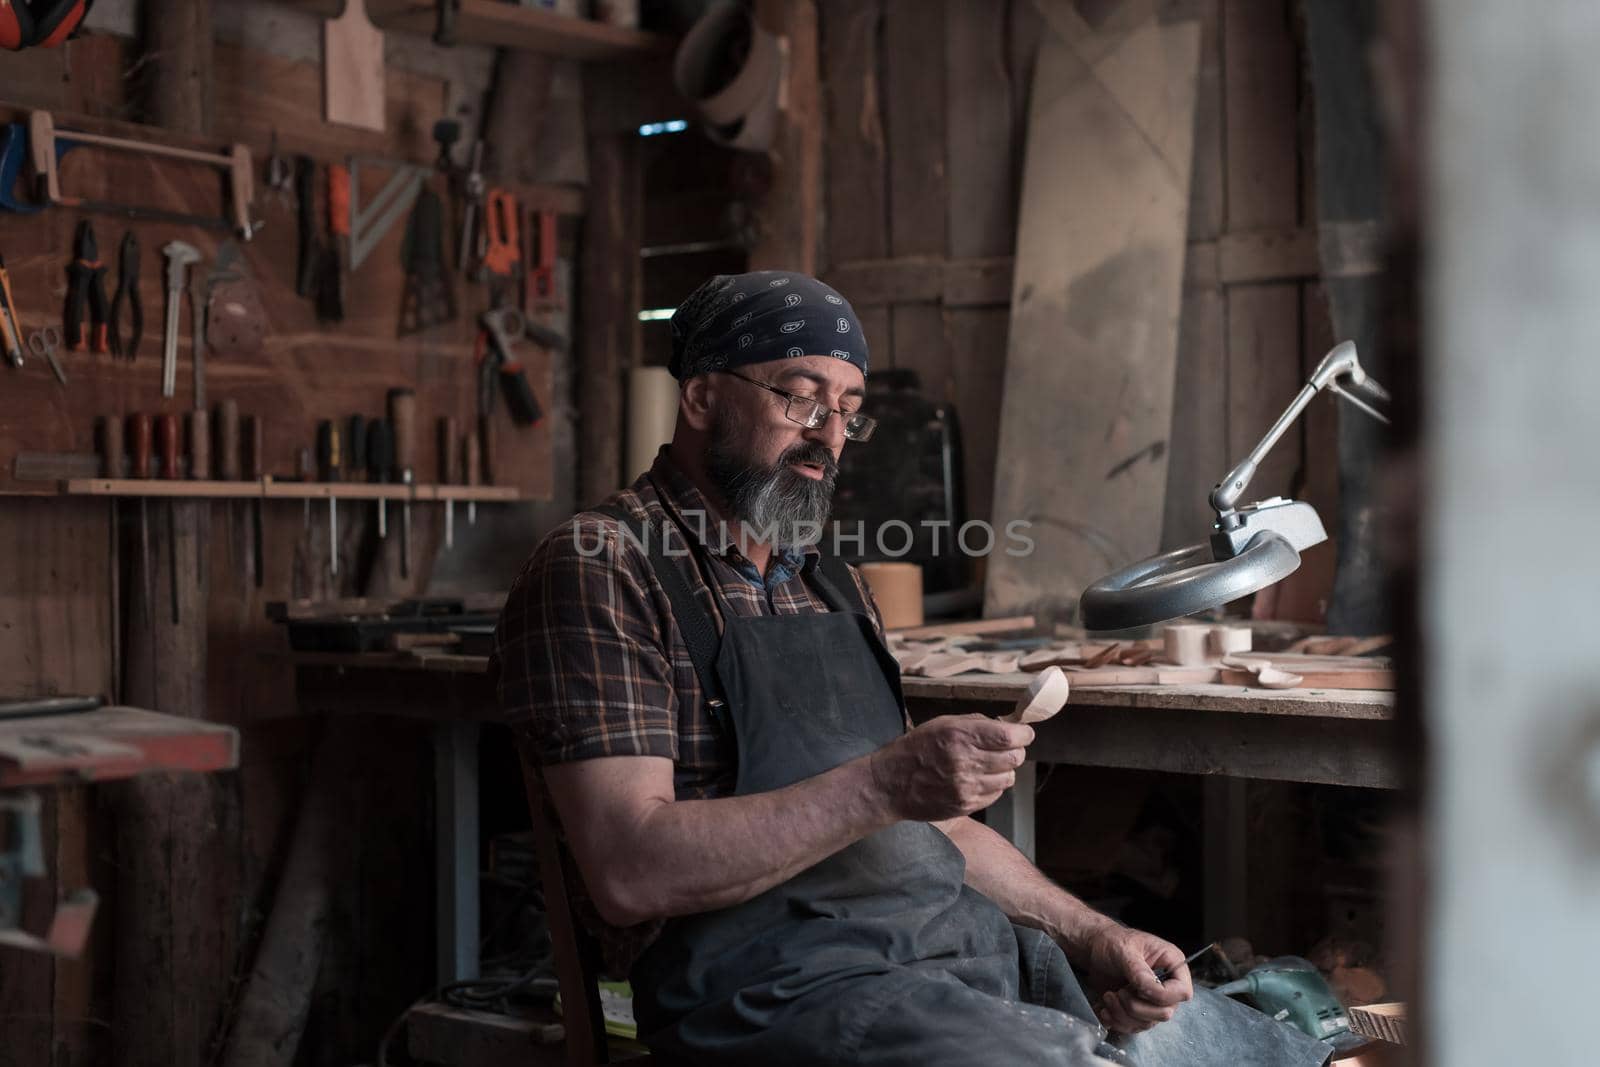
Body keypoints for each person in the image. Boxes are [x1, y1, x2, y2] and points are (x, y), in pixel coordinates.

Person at [494, 272, 1279, 1066]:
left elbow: (926, 825)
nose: (828, 435)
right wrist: (884, 782)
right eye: (801, 398)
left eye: (847, 411)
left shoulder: (828, 580)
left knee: (1247, 1047)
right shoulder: (603, 567)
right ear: (700, 398)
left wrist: (1093, 931)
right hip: (776, 997)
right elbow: (629, 867)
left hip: (950, 962)